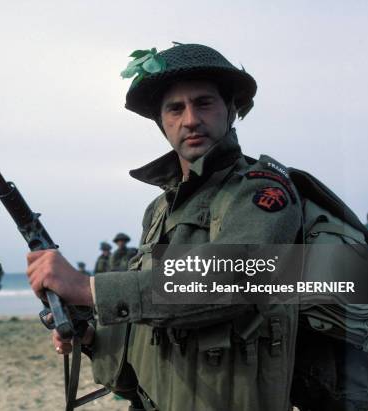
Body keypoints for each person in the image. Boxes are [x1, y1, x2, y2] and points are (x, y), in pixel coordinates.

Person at [26, 43, 303, 410]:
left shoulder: (262, 189)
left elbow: (232, 277)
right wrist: (90, 337)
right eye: (175, 108)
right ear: (162, 123)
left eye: (203, 103)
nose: (190, 119)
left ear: (230, 111)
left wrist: (86, 288)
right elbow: (153, 320)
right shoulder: (159, 209)